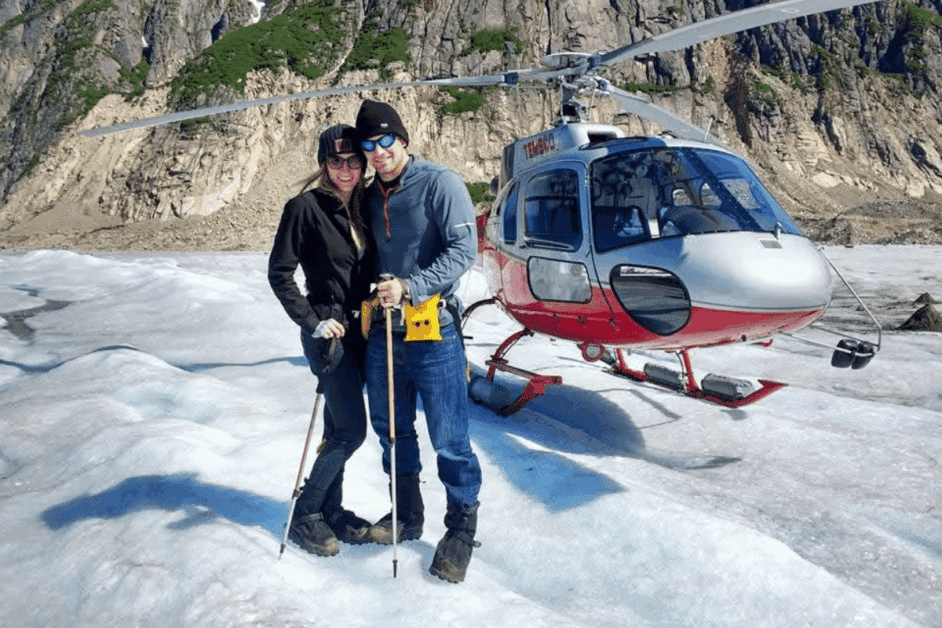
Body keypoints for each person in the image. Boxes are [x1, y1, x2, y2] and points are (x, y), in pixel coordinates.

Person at [355, 98, 483, 583]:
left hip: (435, 334)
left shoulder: (440, 183)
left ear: (403, 139)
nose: (379, 151)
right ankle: (407, 513)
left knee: (450, 440)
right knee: (392, 431)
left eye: (386, 140)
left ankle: (460, 529)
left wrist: (411, 286)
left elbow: (463, 250)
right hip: (385, 336)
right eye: (369, 144)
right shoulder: (369, 196)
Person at [268, 124, 375, 557]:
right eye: (336, 162)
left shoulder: (367, 206)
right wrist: (311, 321)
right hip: (327, 333)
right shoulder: (304, 208)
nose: (345, 169)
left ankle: (331, 509)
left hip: (362, 331)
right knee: (351, 430)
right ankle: (306, 512)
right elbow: (280, 273)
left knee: (337, 427)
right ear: (323, 164)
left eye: (353, 161)